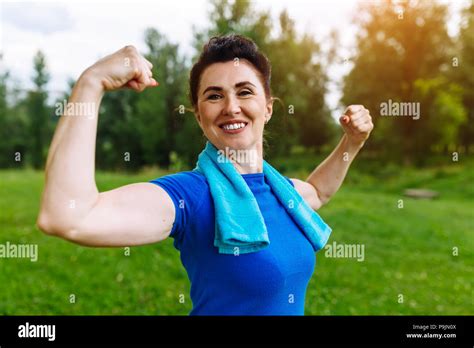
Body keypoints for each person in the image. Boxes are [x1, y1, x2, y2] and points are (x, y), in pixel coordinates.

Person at [37, 34, 373, 315]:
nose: (231, 107)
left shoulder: (283, 192)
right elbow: (68, 217)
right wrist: (91, 83)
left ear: (268, 107)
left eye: (244, 91)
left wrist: (352, 142)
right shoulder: (192, 197)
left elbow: (318, 190)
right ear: (200, 116)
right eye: (214, 96)